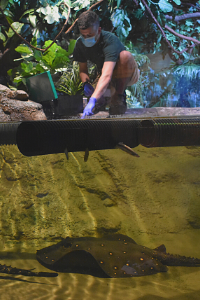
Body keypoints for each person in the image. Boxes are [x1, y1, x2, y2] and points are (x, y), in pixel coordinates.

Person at [73, 11, 139, 118]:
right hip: (105, 73)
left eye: (89, 35)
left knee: (125, 56)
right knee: (99, 98)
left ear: (99, 30)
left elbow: (107, 75)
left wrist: (93, 100)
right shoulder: (80, 44)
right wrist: (86, 83)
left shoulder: (109, 40)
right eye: (83, 35)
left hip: (126, 73)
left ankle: (119, 96)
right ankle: (105, 99)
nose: (86, 38)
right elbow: (83, 70)